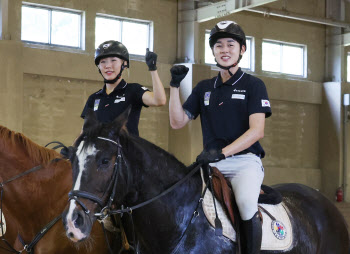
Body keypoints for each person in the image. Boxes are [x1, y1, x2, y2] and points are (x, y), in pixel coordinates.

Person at [169, 21, 271, 254]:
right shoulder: (204, 87)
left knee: (246, 203)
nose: (224, 50)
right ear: (213, 51)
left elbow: (257, 131)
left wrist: (223, 152)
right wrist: (174, 87)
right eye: (219, 46)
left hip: (244, 162)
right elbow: (177, 122)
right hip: (210, 164)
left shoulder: (254, 85)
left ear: (242, 50)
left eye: (230, 45)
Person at [81, 40, 166, 136]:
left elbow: (159, 100)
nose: (108, 66)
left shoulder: (133, 90)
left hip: (127, 149)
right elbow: (84, 131)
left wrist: (153, 69)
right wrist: (73, 149)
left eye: (113, 60)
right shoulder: (94, 98)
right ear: (99, 67)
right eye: (103, 62)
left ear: (124, 64)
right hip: (99, 149)